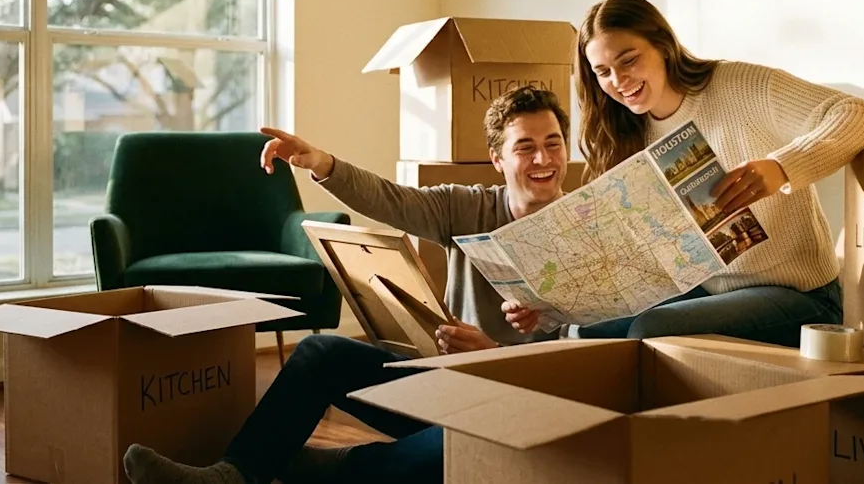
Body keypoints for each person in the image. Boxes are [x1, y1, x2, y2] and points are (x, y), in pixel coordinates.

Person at [122, 86, 573, 484]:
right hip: (446, 385)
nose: (543, 160)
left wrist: (497, 355)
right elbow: (391, 199)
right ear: (497, 159)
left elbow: (585, 363)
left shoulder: (589, 229)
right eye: (525, 147)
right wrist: (321, 163)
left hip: (516, 407)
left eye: (553, 145)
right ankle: (234, 475)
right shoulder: (467, 208)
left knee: (450, 455)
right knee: (322, 353)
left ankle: (332, 467)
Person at [505, 0, 864, 345]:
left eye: (629, 60)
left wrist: (781, 167)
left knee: (650, 329)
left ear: (663, 46)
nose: (619, 82)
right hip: (708, 289)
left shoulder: (739, 86)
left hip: (801, 296)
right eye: (602, 72)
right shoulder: (626, 132)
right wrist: (553, 302)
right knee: (585, 332)